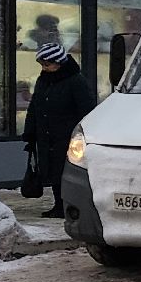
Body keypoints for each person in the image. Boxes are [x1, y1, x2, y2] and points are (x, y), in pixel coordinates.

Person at [23, 42, 94, 217]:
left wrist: (83, 134)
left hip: (67, 135)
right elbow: (35, 106)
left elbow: (86, 109)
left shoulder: (76, 81)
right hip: (46, 135)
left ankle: (67, 205)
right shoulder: (43, 81)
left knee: (65, 171)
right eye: (42, 65)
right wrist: (30, 132)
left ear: (58, 62)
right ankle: (58, 205)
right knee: (52, 171)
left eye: (47, 64)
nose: (44, 68)